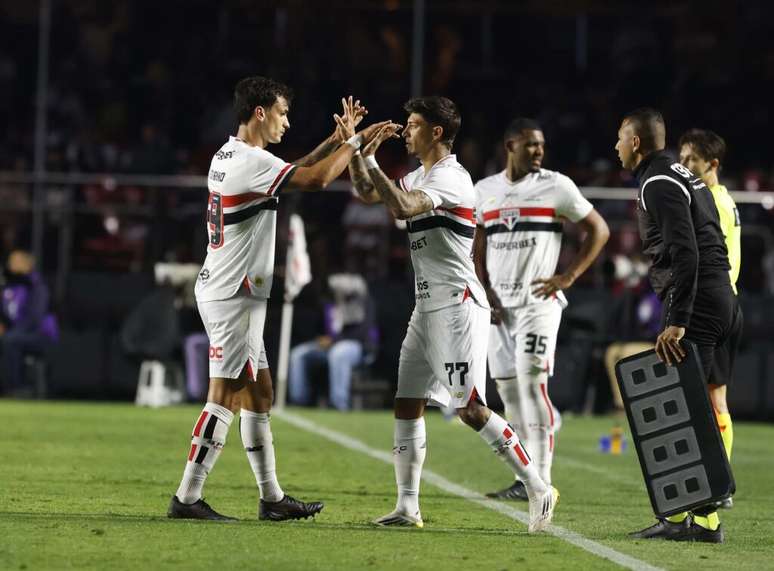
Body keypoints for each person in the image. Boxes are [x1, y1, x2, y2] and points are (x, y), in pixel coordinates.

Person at [168, 77, 388, 521]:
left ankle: (272, 498)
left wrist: (335, 139)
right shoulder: (249, 162)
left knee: (260, 393)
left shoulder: (231, 154)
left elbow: (291, 171)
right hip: (234, 294)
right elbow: (317, 178)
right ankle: (187, 498)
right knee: (224, 395)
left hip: (231, 289)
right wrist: (358, 145)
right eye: (283, 113)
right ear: (261, 112)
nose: (288, 122)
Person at [348, 96, 557, 532]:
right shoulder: (420, 175)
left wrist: (372, 162)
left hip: (459, 306)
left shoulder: (453, 179)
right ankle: (407, 507)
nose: (406, 131)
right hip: (427, 307)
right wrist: (358, 152)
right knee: (407, 404)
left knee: (471, 410)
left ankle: (538, 485)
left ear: (436, 132)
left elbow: (403, 208)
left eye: (413, 124)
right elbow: (368, 193)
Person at [615, 108, 741, 543]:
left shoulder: (659, 181)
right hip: (720, 297)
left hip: (700, 304)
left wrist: (676, 320)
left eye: (619, 138)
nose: (615, 147)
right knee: (700, 407)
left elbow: (686, 253)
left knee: (688, 411)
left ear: (635, 142)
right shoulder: (683, 175)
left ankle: (696, 515)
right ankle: (700, 519)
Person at [472, 118, 609, 500]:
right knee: (509, 394)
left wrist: (568, 276)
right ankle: (524, 478)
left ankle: (542, 482)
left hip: (538, 304)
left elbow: (599, 230)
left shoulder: (556, 186)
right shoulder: (485, 190)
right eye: (531, 144)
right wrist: (485, 292)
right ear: (510, 145)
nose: (538, 151)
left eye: (542, 145)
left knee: (533, 386)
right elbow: (478, 246)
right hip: (498, 308)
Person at [679, 129, 741, 508]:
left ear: (712, 165)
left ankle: (712, 484)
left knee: (696, 401)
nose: (684, 166)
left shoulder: (709, 201)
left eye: (691, 160)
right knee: (717, 400)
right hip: (729, 303)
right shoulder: (726, 198)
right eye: (681, 158)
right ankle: (722, 483)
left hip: (710, 307)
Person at [288, 272, 376, 410]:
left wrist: (334, 341)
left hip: (358, 347)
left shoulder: (363, 303)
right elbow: (321, 329)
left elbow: (363, 333)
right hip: (330, 346)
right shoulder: (330, 304)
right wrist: (322, 339)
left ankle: (338, 404)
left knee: (338, 353)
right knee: (298, 354)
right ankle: (299, 401)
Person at [0, 250, 58, 395]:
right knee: (9, 339)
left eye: (16, 261)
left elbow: (34, 319)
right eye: (10, 261)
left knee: (9, 340)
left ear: (27, 265)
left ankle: (16, 387)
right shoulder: (8, 286)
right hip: (15, 333)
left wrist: (8, 331)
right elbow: (6, 314)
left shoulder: (36, 285)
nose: (11, 264)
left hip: (40, 335)